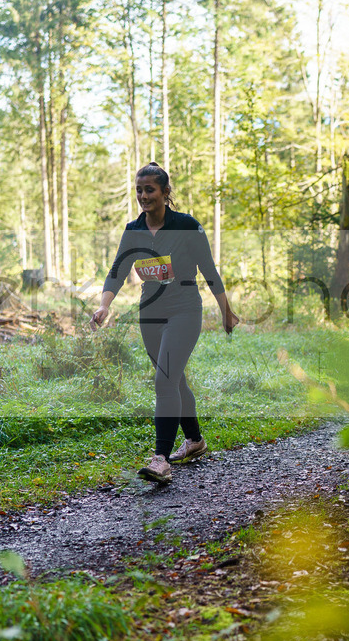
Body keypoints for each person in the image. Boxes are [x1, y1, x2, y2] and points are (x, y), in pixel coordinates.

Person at [90, 162, 238, 484]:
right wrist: (104, 305)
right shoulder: (134, 230)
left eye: (150, 190)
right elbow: (117, 270)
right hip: (151, 313)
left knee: (165, 379)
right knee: (174, 380)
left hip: (185, 310)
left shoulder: (186, 226)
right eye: (139, 190)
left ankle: (160, 459)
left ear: (165, 192)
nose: (143, 196)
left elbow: (209, 270)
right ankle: (195, 440)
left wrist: (226, 311)